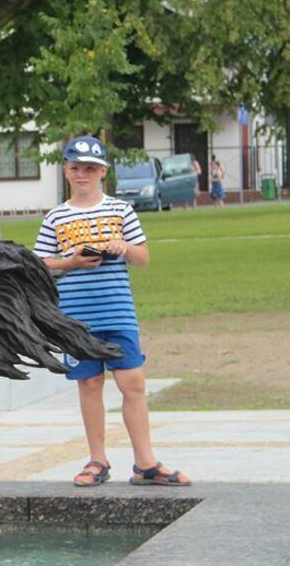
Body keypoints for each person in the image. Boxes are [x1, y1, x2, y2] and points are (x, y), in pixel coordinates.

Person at [34, 135, 190, 488]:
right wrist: (71, 262)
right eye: (75, 168)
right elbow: (41, 264)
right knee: (89, 384)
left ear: (103, 171)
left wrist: (123, 247)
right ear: (66, 171)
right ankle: (97, 460)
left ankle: (145, 463)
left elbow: (144, 257)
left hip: (117, 312)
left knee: (132, 383)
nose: (82, 174)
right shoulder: (56, 217)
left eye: (90, 168)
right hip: (75, 317)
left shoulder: (121, 210)